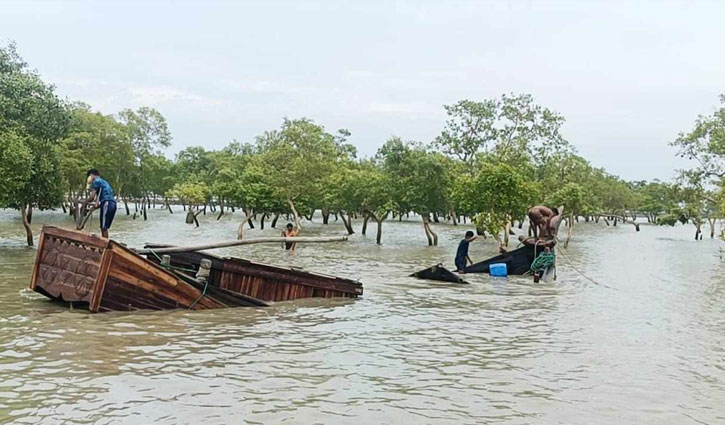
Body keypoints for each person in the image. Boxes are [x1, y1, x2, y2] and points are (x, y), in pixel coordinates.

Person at [86, 169, 116, 238]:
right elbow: (104, 202)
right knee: (104, 227)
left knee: (103, 227)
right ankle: (105, 243)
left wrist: (85, 203)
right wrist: (91, 209)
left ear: (92, 175)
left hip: (107, 203)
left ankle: (104, 245)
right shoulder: (104, 182)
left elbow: (91, 198)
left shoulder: (96, 181)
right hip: (112, 204)